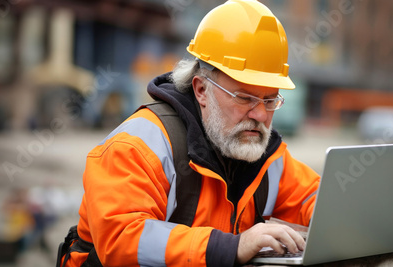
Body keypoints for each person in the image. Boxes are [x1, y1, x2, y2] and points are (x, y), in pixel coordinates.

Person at [63, 0, 320, 266]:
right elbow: (121, 239)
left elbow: (317, 198)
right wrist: (231, 247)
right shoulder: (139, 146)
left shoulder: (264, 155)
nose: (260, 115)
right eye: (244, 98)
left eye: (270, 100)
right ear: (201, 90)